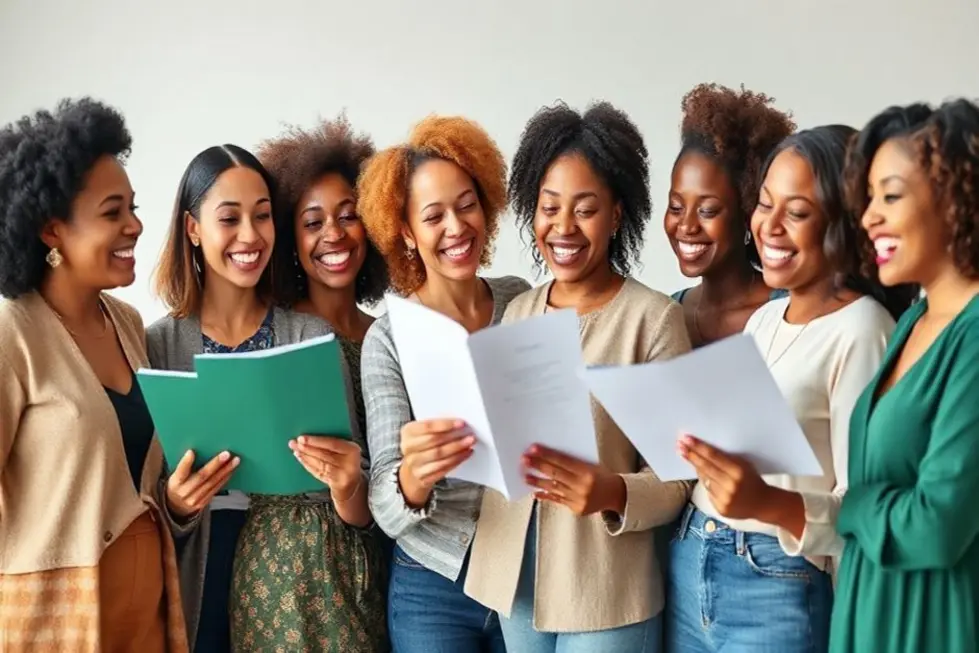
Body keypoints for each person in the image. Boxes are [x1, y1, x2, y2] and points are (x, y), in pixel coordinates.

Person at [668, 125, 917, 653]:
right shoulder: (765, 318)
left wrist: (769, 501)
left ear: (844, 224)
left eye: (797, 213)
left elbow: (866, 508)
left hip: (774, 580)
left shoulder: (862, 330)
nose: (770, 226)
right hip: (691, 554)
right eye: (764, 204)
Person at [0, 98, 229, 651]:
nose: (136, 225)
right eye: (112, 212)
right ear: (52, 230)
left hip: (148, 620)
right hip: (58, 629)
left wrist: (175, 504)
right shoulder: (13, 335)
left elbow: (127, 482)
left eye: (133, 207)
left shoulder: (127, 324)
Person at [464, 101, 692, 652]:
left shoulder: (653, 319)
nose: (563, 227)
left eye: (585, 209)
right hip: (516, 578)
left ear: (616, 215)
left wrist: (612, 490)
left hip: (605, 586)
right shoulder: (519, 311)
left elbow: (681, 477)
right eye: (549, 207)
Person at [147, 145, 374, 652]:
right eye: (230, 218)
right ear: (193, 229)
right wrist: (176, 505)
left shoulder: (309, 335)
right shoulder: (158, 345)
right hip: (201, 573)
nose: (250, 236)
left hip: (300, 580)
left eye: (263, 216)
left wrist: (347, 484)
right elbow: (144, 496)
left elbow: (360, 503)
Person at [358, 114, 529, 653]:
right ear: (407, 233)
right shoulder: (388, 339)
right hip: (431, 584)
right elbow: (385, 506)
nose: (456, 228)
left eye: (467, 205)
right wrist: (415, 474)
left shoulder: (520, 300)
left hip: (522, 569)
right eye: (433, 216)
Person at [828, 100, 979, 653]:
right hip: (871, 602)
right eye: (869, 198)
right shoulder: (915, 318)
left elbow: (938, 525)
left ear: (957, 198)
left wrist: (852, 507)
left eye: (890, 196)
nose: (869, 217)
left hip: (931, 621)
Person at [664, 83, 796, 347]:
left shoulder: (790, 311)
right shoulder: (665, 315)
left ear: (748, 214)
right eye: (676, 207)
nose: (687, 226)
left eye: (707, 211)